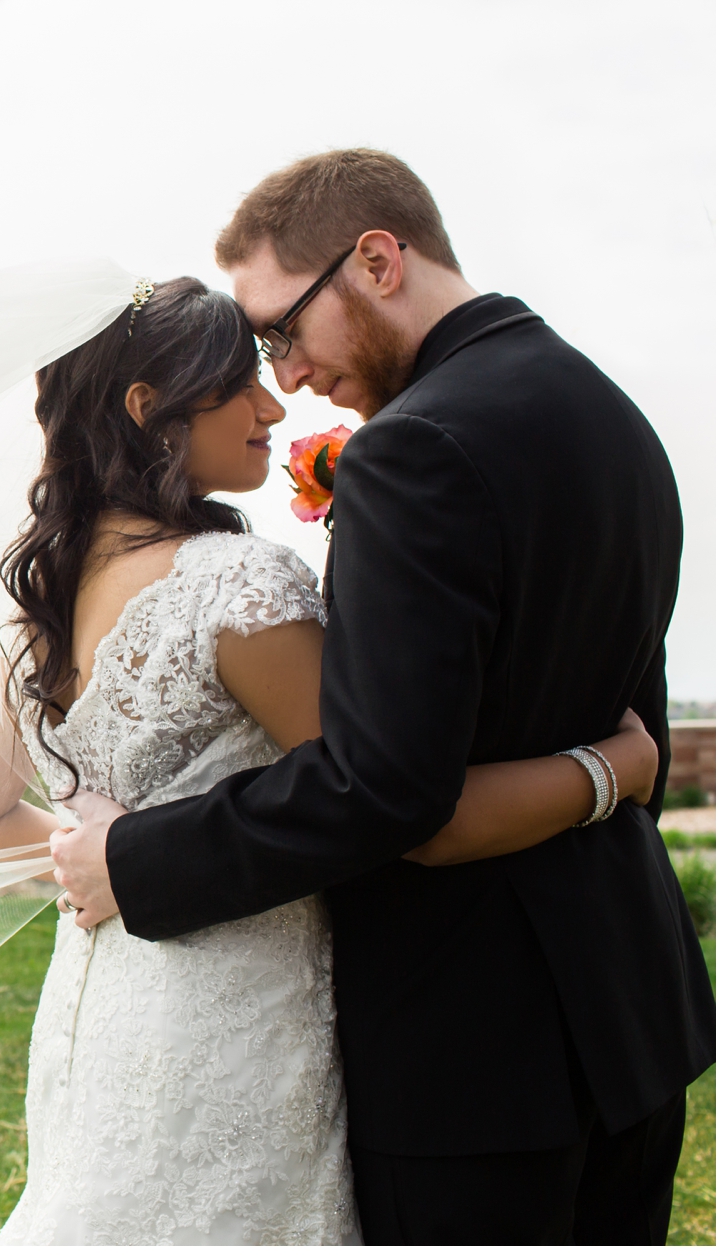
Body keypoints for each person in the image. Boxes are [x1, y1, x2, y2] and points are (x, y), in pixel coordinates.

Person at [47, 150, 714, 1243]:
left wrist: (134, 858)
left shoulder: (412, 450)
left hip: (473, 1047)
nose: (288, 373)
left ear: (375, 258)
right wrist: (611, 775)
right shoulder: (610, 414)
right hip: (634, 1014)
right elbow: (625, 693)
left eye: (281, 328)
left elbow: (383, 785)